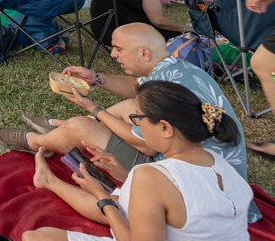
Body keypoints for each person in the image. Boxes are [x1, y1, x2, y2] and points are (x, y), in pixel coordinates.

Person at [23, 80, 251, 241]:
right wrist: (123, 174)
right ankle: (49, 181)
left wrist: (102, 198)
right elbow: (182, 200)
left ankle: (49, 181)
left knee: (33, 237)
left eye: (137, 118)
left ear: (165, 128)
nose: (136, 125)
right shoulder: (218, 163)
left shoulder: (151, 176)